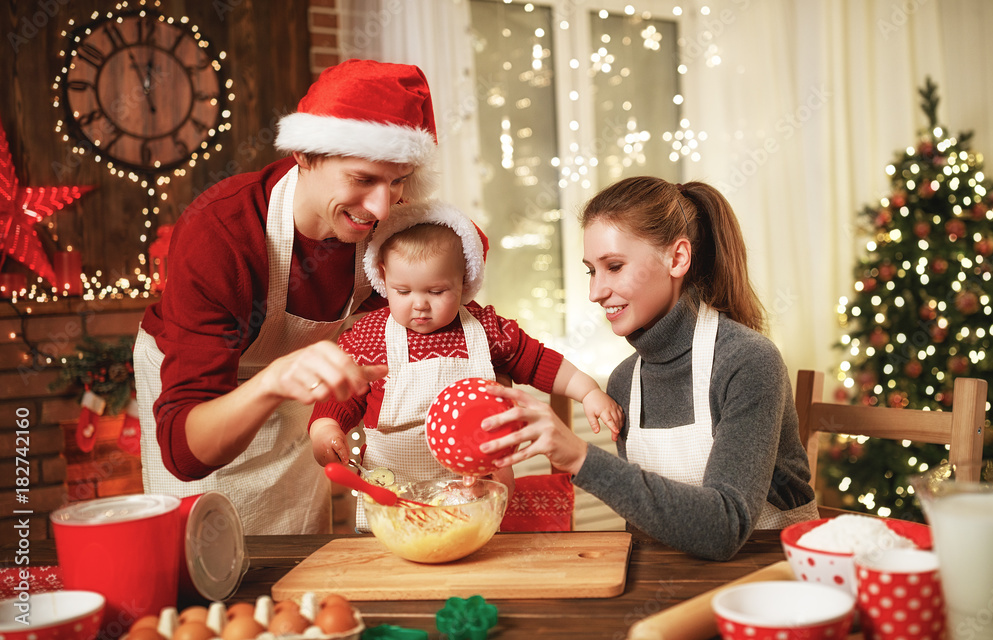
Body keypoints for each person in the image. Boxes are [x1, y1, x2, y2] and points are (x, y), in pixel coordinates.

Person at [134, 59, 441, 535]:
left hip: (298, 397)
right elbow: (183, 452)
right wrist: (275, 380)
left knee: (294, 551)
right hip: (202, 405)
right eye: (362, 179)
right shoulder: (221, 234)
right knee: (200, 554)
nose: (382, 207)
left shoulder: (390, 231)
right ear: (304, 154)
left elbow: (437, 303)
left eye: (397, 180)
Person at [478, 177, 819, 561]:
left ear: (677, 259)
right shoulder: (626, 381)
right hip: (669, 579)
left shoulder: (748, 362)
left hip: (770, 582)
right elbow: (649, 525)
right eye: (592, 270)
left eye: (615, 266)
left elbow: (725, 529)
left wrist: (580, 457)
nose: (595, 292)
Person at [309, 200, 623, 529]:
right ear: (383, 277)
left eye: (436, 290)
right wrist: (325, 428)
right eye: (402, 291)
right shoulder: (369, 337)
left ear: (464, 282)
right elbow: (341, 393)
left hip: (476, 494)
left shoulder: (486, 329)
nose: (419, 305)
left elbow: (541, 362)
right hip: (393, 502)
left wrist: (587, 392)